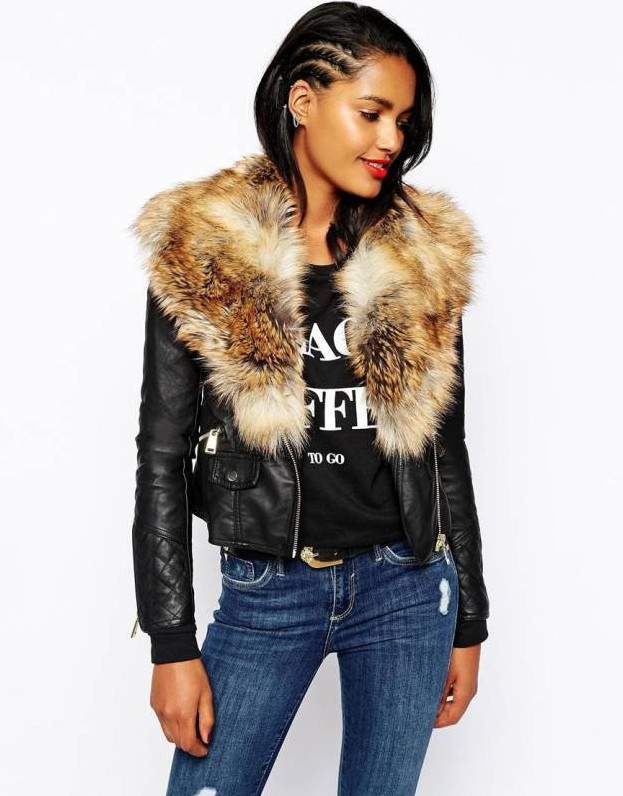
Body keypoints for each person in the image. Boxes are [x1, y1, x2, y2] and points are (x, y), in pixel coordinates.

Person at [129, 3, 490, 793]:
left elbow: (444, 448)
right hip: (268, 592)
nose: (390, 139)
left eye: (402, 121)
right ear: (302, 100)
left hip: (406, 586)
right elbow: (160, 454)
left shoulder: (423, 256)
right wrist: (170, 643)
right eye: (371, 112)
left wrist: (470, 617)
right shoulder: (205, 250)